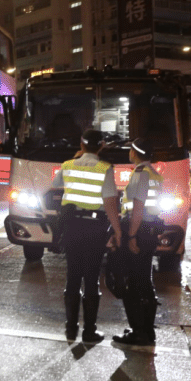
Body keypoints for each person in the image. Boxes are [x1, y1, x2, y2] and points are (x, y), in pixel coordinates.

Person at [51, 128, 123, 343]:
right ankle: (89, 331)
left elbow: (56, 186)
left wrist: (76, 158)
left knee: (72, 276)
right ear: (101, 145)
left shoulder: (67, 165)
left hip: (71, 226)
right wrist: (118, 231)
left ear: (81, 145)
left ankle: (70, 329)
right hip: (94, 228)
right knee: (91, 278)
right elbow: (110, 203)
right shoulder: (104, 168)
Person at [113, 138, 163, 346]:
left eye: (131, 149)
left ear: (136, 152)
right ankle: (146, 330)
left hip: (138, 231)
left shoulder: (141, 175)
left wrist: (131, 236)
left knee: (132, 283)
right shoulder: (154, 174)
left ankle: (139, 331)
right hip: (148, 231)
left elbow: (138, 207)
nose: (129, 153)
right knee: (144, 280)